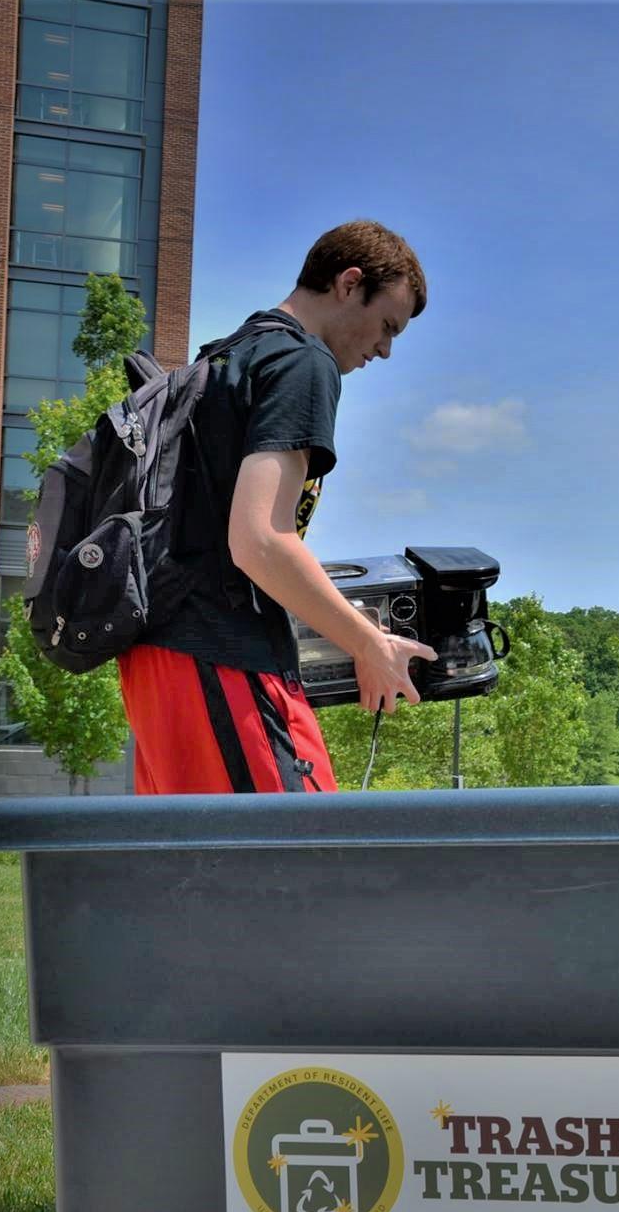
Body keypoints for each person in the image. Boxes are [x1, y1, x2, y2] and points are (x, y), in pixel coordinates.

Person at [115, 220, 435, 794]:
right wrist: (370, 644)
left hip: (161, 657)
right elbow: (259, 540)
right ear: (348, 282)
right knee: (301, 862)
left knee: (191, 871)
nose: (385, 350)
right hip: (219, 656)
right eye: (387, 325)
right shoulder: (301, 363)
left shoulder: (230, 352)